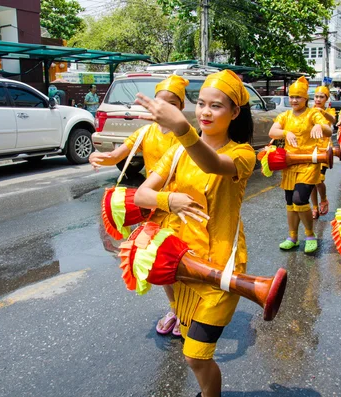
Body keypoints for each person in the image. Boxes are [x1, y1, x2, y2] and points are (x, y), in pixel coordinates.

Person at [134, 69, 255, 397]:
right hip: (183, 266)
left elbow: (212, 164)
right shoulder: (175, 152)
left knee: (196, 355)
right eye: (201, 104)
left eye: (216, 106)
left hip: (219, 269)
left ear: (234, 113)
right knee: (193, 355)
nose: (205, 112)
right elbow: (141, 195)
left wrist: (181, 128)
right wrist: (169, 199)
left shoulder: (243, 154)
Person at [89, 75, 190, 337]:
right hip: (152, 207)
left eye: (172, 103)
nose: (165, 107)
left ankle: (188, 310)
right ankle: (177, 309)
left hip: (180, 209)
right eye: (160, 102)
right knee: (158, 261)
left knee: (179, 263)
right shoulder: (144, 132)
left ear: (180, 108)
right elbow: (116, 156)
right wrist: (100, 156)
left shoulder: (187, 135)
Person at [268, 76, 332, 253]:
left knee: (299, 199)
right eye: (292, 97)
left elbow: (329, 128)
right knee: (289, 202)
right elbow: (272, 131)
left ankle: (310, 235)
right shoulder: (285, 115)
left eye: (298, 97)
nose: (294, 100)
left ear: (306, 99)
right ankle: (293, 237)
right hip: (290, 162)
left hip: (309, 162)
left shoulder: (313, 113)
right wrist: (285, 132)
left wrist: (321, 128)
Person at [309, 85, 337, 219]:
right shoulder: (309, 111)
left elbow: (333, 120)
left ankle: (324, 199)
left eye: (322, 97)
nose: (318, 99)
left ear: (326, 99)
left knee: (319, 179)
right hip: (310, 147)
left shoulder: (330, 110)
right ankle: (314, 207)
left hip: (324, 149)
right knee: (311, 180)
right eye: (316, 96)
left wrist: (321, 112)